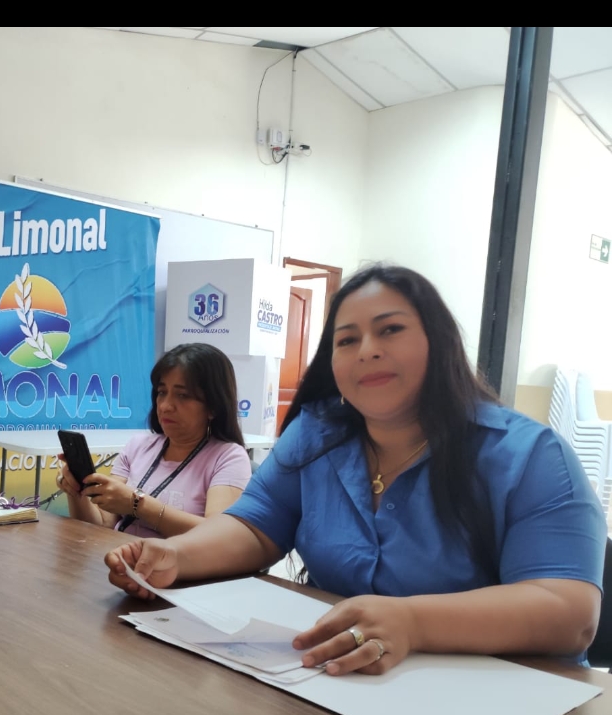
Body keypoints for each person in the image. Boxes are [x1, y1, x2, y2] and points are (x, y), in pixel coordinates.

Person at [103, 263, 605, 670]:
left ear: (439, 342)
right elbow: (255, 528)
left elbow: (570, 612)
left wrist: (413, 622)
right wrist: (175, 555)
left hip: (499, 709)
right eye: (346, 340)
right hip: (334, 680)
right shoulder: (314, 435)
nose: (367, 350)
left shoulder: (531, 457)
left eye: (390, 330)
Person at [56, 343, 250, 532]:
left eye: (182, 395)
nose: (165, 406)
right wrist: (76, 492)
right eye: (162, 392)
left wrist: (138, 504)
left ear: (213, 407)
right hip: (121, 552)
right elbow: (103, 523)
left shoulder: (228, 457)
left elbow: (217, 535)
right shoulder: (137, 446)